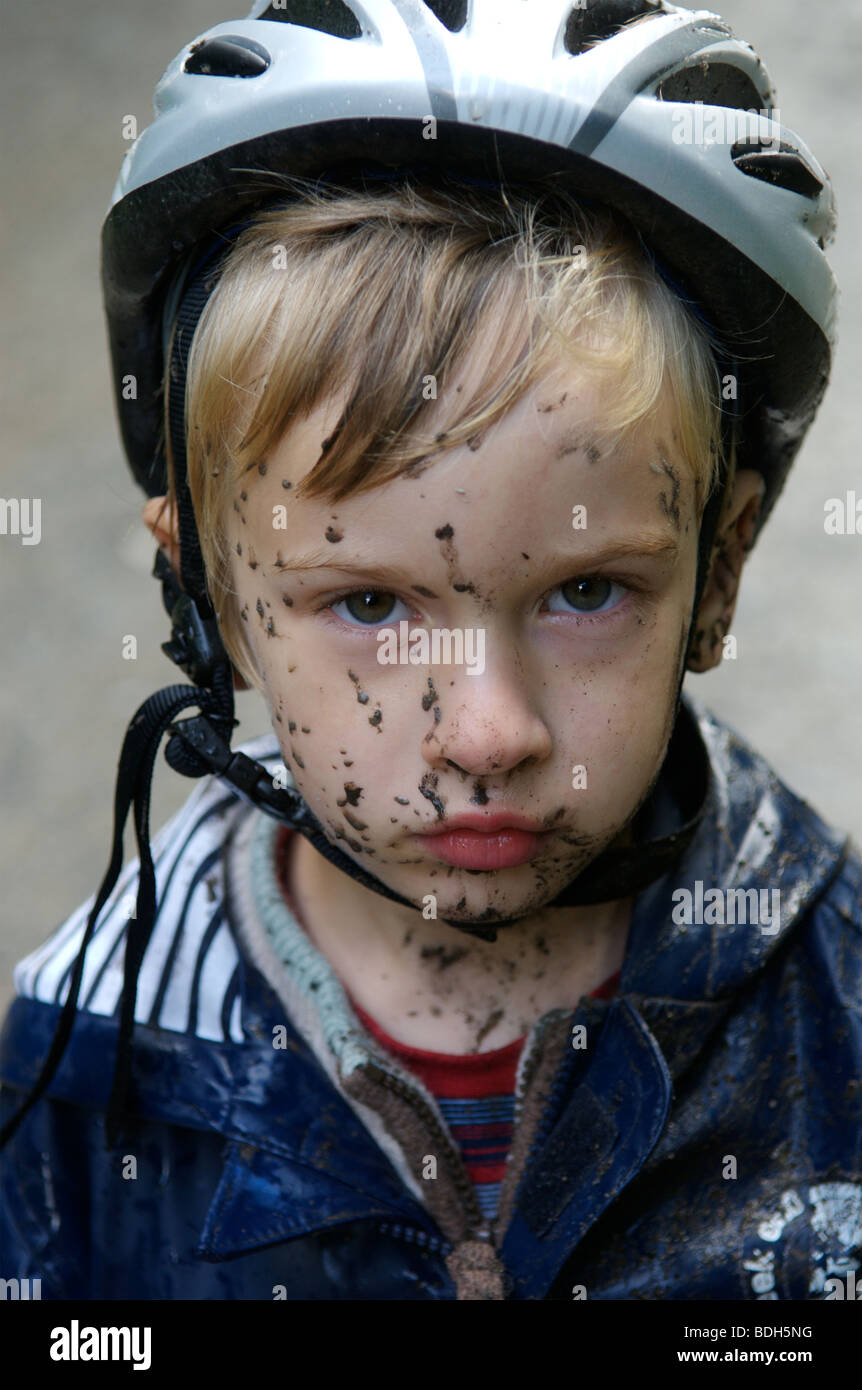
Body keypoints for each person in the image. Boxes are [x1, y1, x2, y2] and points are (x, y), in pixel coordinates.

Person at [1, 0, 859, 1301]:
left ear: (718, 568)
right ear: (207, 593)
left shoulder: (839, 1002)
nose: (487, 730)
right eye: (366, 604)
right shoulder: (87, 1058)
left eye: (583, 589)